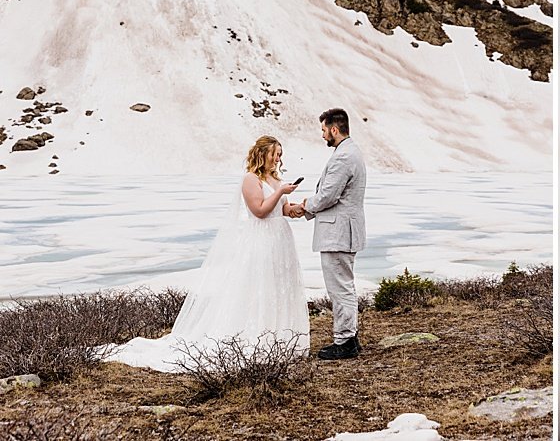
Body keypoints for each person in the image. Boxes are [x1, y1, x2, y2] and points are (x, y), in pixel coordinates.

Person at [105, 136, 307, 372]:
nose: (278, 159)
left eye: (280, 154)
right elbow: (260, 211)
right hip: (261, 240)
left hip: (280, 240)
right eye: (275, 153)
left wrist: (296, 209)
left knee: (279, 286)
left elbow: (281, 208)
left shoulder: (274, 179)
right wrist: (281, 190)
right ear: (261, 154)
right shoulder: (250, 180)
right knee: (259, 286)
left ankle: (279, 337)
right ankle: (257, 335)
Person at [285, 107, 367, 360]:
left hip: (338, 232)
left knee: (339, 287)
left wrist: (303, 207)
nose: (322, 136)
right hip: (342, 230)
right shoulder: (349, 152)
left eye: (323, 130)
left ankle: (345, 341)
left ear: (334, 129)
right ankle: (348, 336)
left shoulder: (344, 157)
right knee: (343, 285)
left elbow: (329, 196)